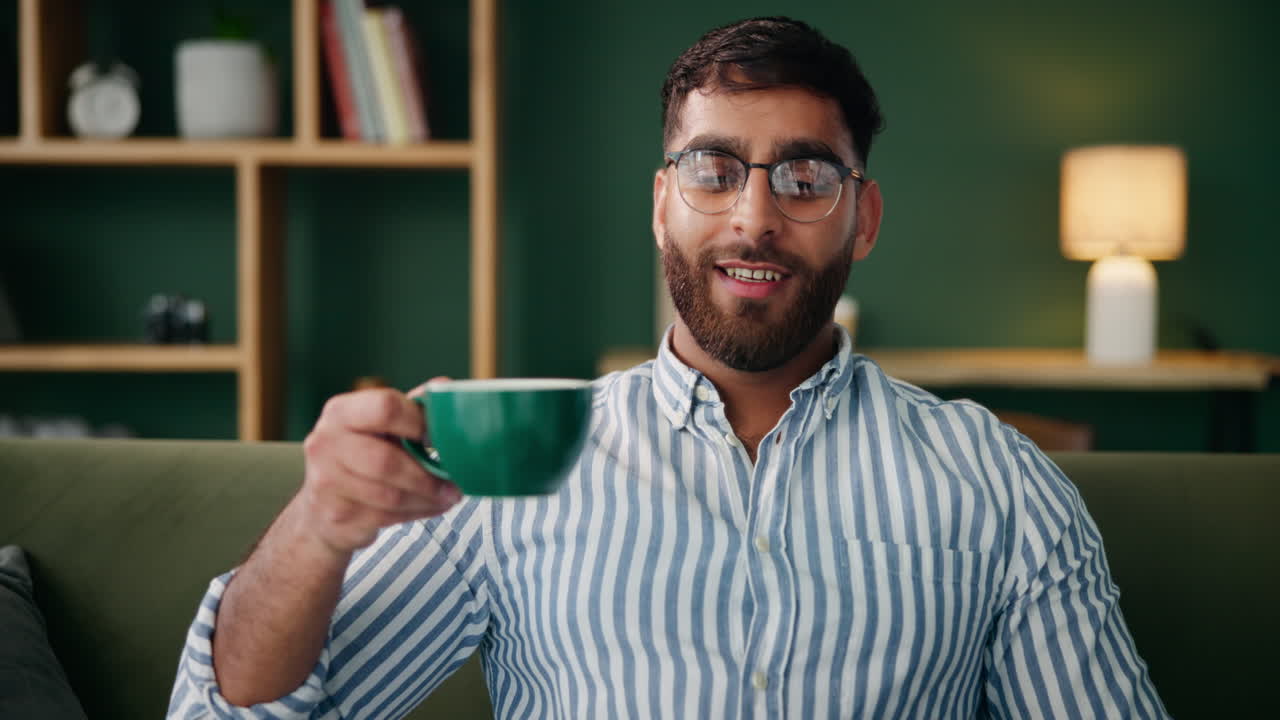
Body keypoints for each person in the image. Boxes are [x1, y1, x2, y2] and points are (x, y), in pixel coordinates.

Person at [168, 16, 1169, 719]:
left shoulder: (994, 480)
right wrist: (318, 524)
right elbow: (244, 716)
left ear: (859, 219)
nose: (753, 216)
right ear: (661, 204)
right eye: (713, 168)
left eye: (805, 175)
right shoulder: (513, 467)